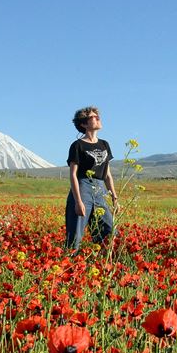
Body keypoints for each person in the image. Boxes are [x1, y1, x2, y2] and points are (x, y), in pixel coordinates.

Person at [65, 106, 119, 251]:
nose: (98, 118)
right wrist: (78, 201)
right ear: (83, 124)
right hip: (83, 188)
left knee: (109, 231)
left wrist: (114, 197)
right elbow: (73, 175)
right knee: (76, 233)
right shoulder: (77, 145)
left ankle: (104, 260)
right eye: (93, 117)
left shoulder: (104, 144)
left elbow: (107, 174)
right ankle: (71, 259)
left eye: (97, 116)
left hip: (100, 190)